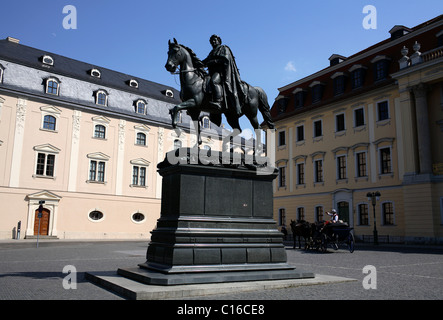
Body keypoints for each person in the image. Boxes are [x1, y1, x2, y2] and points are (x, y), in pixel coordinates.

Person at [202, 35, 246, 116]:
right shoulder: (212, 52)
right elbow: (205, 61)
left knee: (213, 81)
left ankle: (218, 102)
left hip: (222, 72)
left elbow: (225, 59)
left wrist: (213, 62)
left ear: (219, 40)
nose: (213, 42)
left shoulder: (224, 48)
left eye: (214, 40)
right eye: (211, 41)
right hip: (212, 72)